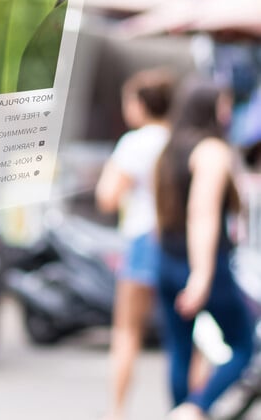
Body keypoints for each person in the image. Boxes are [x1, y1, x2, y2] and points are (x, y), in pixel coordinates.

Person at [155, 79, 254, 420]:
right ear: (210, 108)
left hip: (167, 258)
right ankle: (196, 407)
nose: (228, 113)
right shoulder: (211, 150)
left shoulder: (171, 147)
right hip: (201, 264)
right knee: (244, 344)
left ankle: (180, 410)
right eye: (224, 105)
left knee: (180, 349)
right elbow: (203, 215)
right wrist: (201, 275)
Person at [95, 69, 174, 420]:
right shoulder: (182, 139)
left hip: (142, 239)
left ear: (140, 104)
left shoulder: (134, 143)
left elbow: (107, 198)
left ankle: (118, 411)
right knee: (183, 333)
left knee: (128, 331)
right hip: (177, 242)